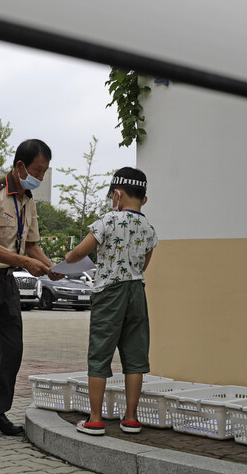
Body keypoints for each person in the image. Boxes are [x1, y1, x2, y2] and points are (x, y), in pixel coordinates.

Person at [0, 138, 63, 445]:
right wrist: (24, 262)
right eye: (37, 170)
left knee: (11, 349)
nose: (40, 177)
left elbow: (31, 244)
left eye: (44, 171)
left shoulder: (27, 200)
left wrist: (50, 264)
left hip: (5, 282)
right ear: (20, 166)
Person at [63, 167, 158, 436]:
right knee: (136, 355)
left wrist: (64, 261)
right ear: (144, 199)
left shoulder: (108, 220)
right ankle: (131, 418)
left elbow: (81, 252)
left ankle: (95, 419)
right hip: (136, 292)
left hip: (109, 292)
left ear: (116, 194)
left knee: (100, 353)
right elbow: (144, 264)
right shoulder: (149, 227)